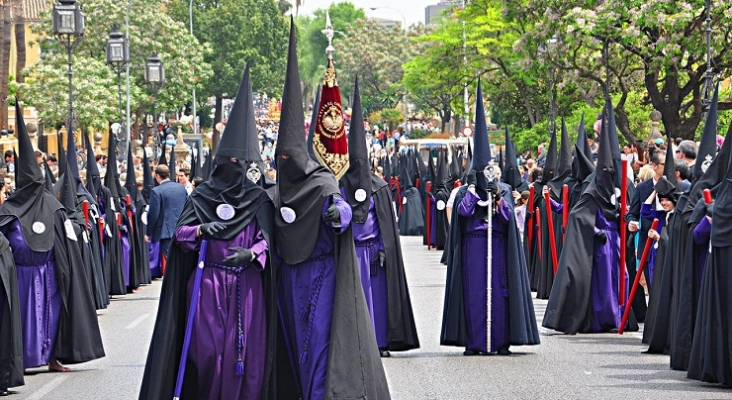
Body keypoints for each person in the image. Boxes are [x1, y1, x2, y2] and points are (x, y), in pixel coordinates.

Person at [140, 63, 278, 400]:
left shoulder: (258, 197)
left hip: (246, 285)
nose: (237, 170)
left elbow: (268, 241)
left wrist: (254, 253)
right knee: (211, 356)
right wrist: (201, 230)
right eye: (231, 163)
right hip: (207, 284)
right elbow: (180, 237)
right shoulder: (201, 196)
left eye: (241, 164)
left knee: (246, 358)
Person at [274, 21, 389, 399]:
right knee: (294, 349)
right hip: (288, 280)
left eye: (292, 156)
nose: (288, 162)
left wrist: (337, 215)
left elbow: (339, 208)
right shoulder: (276, 192)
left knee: (320, 347)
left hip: (322, 275)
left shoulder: (321, 183)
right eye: (282, 157)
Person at [0, 104, 105, 377]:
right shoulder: (9, 210)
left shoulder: (53, 207)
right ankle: (19, 360)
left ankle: (54, 357)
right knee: (21, 319)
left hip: (51, 274)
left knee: (53, 317)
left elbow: (66, 241)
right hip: (21, 274)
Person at [441, 81, 539, 356]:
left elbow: (509, 218)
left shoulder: (504, 189)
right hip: (473, 246)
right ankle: (474, 342)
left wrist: (496, 199)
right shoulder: (465, 191)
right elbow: (461, 214)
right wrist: (475, 193)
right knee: (474, 295)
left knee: (499, 293)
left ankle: (500, 340)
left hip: (497, 246)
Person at [339, 78, 419, 358]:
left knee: (378, 298)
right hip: (350, 251)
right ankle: (356, 344)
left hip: (373, 254)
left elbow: (388, 225)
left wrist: (384, 250)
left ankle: (380, 342)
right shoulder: (339, 187)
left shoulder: (379, 187)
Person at [543, 107, 635, 334]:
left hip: (615, 242)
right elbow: (577, 215)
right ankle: (603, 319)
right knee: (603, 283)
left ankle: (618, 316)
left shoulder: (615, 189)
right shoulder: (591, 191)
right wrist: (595, 231)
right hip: (601, 245)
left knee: (620, 277)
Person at [146, 164, 188, 268]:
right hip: (183, 228)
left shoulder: (156, 191)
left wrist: (148, 232)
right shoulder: (181, 188)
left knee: (172, 261)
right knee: (182, 258)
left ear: (157, 176)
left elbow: (153, 214)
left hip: (166, 232)